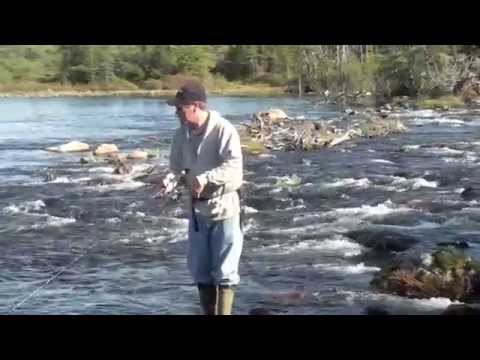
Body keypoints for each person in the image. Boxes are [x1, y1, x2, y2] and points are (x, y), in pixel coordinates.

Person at [162, 80, 244, 315]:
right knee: (200, 270)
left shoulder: (224, 130)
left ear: (196, 106)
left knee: (226, 272)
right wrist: (169, 182)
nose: (176, 112)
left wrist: (205, 178)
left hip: (225, 208)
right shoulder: (180, 135)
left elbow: (234, 168)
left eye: (180, 108)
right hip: (197, 212)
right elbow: (176, 169)